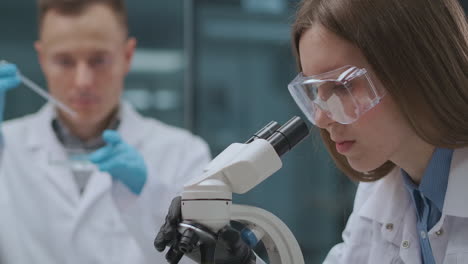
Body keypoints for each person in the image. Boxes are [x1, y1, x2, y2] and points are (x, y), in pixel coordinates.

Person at [155, 0, 468, 263]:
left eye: (342, 86)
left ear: (417, 70)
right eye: (315, 91)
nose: (320, 117)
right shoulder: (384, 194)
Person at [0, 0, 210, 263]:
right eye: (64, 61)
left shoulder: (184, 154)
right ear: (42, 59)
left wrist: (148, 195)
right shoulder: (6, 149)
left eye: (98, 60)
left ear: (127, 56)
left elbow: (204, 258)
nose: (83, 81)